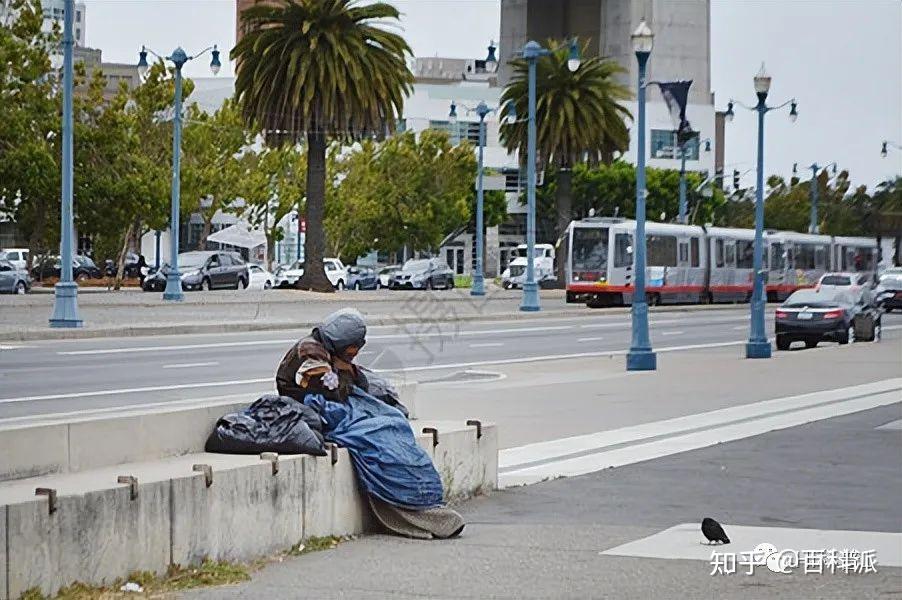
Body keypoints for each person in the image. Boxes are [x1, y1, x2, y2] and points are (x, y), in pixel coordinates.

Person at [275, 308, 465, 539]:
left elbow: (350, 382)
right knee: (376, 437)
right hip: (324, 409)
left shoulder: (329, 354)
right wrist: (345, 372)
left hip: (340, 404)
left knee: (394, 420)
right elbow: (332, 389)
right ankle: (413, 505)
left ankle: (425, 495)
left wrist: (350, 372)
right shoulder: (310, 352)